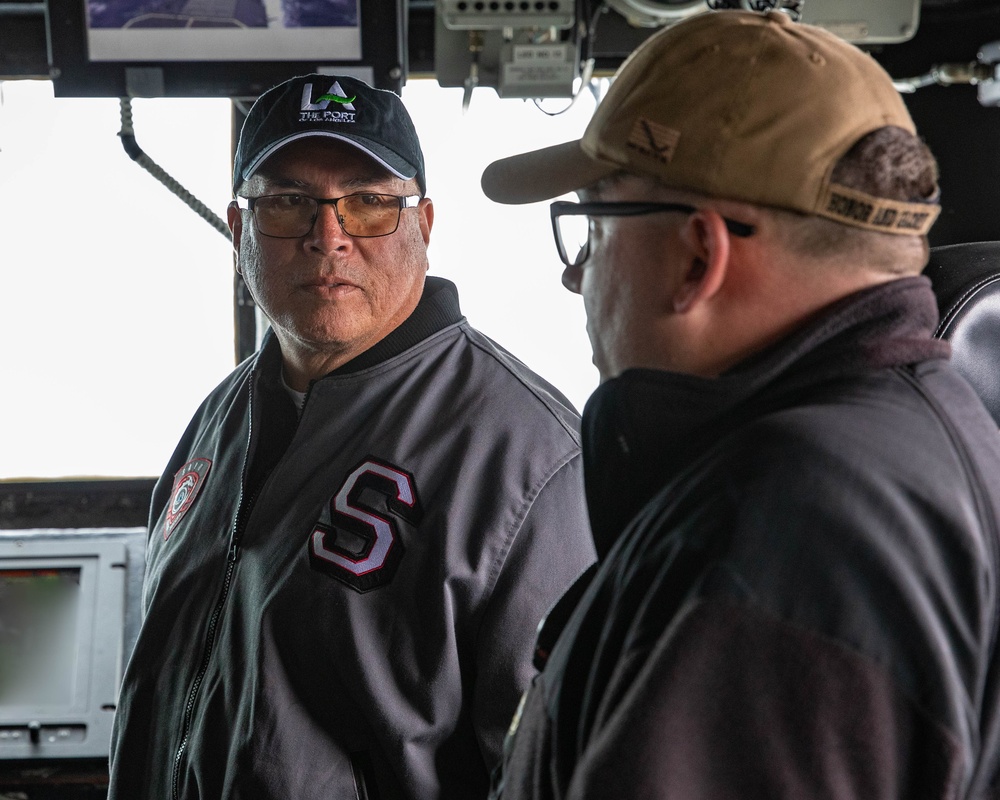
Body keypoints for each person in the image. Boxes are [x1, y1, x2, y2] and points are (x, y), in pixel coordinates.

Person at [480, 9, 1000, 799]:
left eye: (593, 227)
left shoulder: (783, 533)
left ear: (697, 257)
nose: (574, 276)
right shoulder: (914, 447)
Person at [106, 73, 595, 800]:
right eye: (289, 202)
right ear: (242, 232)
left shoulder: (529, 457)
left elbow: (560, 773)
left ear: (422, 226)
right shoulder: (217, 421)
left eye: (368, 202)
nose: (327, 236)